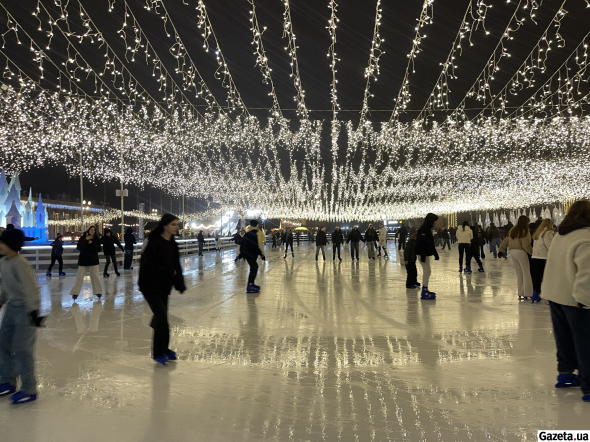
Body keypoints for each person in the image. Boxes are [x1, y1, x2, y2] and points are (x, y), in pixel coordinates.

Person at [541, 200, 590, 402]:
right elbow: (587, 273)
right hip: (574, 298)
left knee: (564, 337)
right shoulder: (585, 237)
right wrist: (584, 299)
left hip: (555, 294)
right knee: (585, 341)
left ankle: (566, 374)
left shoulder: (562, 234)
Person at [0, 228, 44, 404]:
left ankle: (29, 388)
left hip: (26, 309)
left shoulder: (21, 263)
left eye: (3, 242)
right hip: (12, 307)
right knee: (2, 342)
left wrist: (33, 313)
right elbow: (5, 286)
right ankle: (7, 380)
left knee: (22, 349)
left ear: (12, 245)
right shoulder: (3, 261)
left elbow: (31, 290)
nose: (0, 245)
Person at [138, 214, 186, 366]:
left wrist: (179, 283)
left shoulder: (172, 243)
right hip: (149, 285)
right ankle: (158, 352)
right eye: (173, 224)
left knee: (162, 318)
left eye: (177, 224)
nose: (176, 227)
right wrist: (167, 272)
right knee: (162, 319)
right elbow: (147, 265)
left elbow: (176, 265)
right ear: (165, 225)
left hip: (164, 286)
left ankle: (165, 349)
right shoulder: (154, 243)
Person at [498, 215, 534, 301]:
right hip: (521, 252)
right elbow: (526, 245)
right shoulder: (525, 231)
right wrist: (532, 253)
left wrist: (501, 250)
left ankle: (520, 292)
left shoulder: (513, 230)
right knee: (526, 273)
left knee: (519, 273)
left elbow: (506, 240)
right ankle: (528, 293)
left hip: (512, 252)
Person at [70, 225, 102, 301]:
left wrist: (92, 243)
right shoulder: (83, 238)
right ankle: (75, 292)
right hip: (83, 260)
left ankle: (98, 291)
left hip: (93, 260)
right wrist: (85, 240)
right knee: (79, 277)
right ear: (88, 230)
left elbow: (99, 249)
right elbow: (78, 247)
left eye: (94, 230)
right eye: (91, 230)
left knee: (95, 277)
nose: (92, 231)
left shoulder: (96, 239)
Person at [415, 213, 439, 300]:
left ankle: (425, 289)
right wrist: (423, 254)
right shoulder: (424, 229)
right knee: (427, 271)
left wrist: (435, 253)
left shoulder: (427, 228)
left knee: (428, 271)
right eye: (435, 220)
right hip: (423, 254)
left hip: (425, 254)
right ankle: (424, 291)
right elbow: (422, 242)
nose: (435, 222)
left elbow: (430, 243)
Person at [531, 219, 554, 302]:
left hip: (535, 257)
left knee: (538, 276)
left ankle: (535, 294)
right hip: (544, 257)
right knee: (547, 277)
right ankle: (549, 295)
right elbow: (550, 246)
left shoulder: (538, 233)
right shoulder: (547, 233)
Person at [239, 220, 265, 293]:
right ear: (255, 226)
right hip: (249, 254)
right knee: (254, 267)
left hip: (249, 254)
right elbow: (254, 246)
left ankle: (251, 283)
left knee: (254, 267)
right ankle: (250, 285)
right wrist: (261, 254)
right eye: (257, 226)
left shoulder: (250, 233)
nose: (258, 227)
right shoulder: (252, 234)